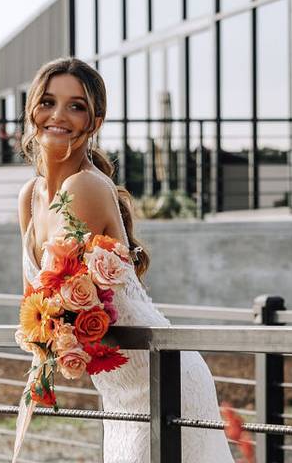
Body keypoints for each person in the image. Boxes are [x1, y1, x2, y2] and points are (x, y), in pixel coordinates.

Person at [17, 57, 234, 462]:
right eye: (47, 101)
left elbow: (56, 306)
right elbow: (36, 305)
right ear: (31, 109)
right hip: (118, 391)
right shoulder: (29, 197)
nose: (58, 115)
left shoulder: (84, 186)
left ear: (94, 122)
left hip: (160, 378)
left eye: (76, 106)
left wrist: (51, 333)